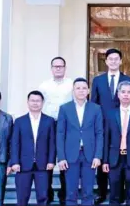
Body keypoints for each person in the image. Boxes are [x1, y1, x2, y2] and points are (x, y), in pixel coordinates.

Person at [91, 48, 130, 204]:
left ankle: (122, 194)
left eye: (117, 59)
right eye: (111, 59)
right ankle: (102, 193)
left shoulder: (128, 79)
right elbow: (94, 104)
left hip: (122, 124)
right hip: (103, 125)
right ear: (106, 61)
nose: (114, 61)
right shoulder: (98, 80)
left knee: (122, 161)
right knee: (103, 159)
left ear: (121, 61)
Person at [56, 78, 104, 206]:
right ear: (73, 91)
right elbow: (60, 134)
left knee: (88, 192)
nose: (81, 91)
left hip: (90, 155)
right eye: (78, 88)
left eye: (84, 88)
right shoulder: (65, 108)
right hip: (70, 155)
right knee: (70, 192)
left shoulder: (96, 108)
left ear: (88, 90)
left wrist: (98, 156)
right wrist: (61, 157)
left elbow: (99, 133)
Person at [10, 90, 56, 206]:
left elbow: (52, 143)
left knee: (43, 197)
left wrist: (51, 161)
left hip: (43, 165)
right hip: (23, 165)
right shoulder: (20, 121)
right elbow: (15, 143)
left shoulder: (49, 121)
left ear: (42, 102)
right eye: (32, 100)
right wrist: (14, 162)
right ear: (28, 102)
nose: (35, 103)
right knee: (22, 197)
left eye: (38, 101)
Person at [102, 81, 130, 206]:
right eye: (123, 92)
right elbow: (106, 138)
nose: (126, 95)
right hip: (114, 158)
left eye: (129, 92)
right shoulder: (110, 114)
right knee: (114, 193)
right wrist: (105, 160)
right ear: (118, 94)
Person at [38, 56, 73, 204]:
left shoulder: (72, 84)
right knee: (48, 159)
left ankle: (64, 193)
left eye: (61, 66)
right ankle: (48, 192)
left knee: (66, 159)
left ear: (65, 68)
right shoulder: (44, 86)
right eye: (55, 66)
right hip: (48, 124)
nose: (58, 68)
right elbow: (38, 104)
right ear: (51, 68)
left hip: (67, 125)